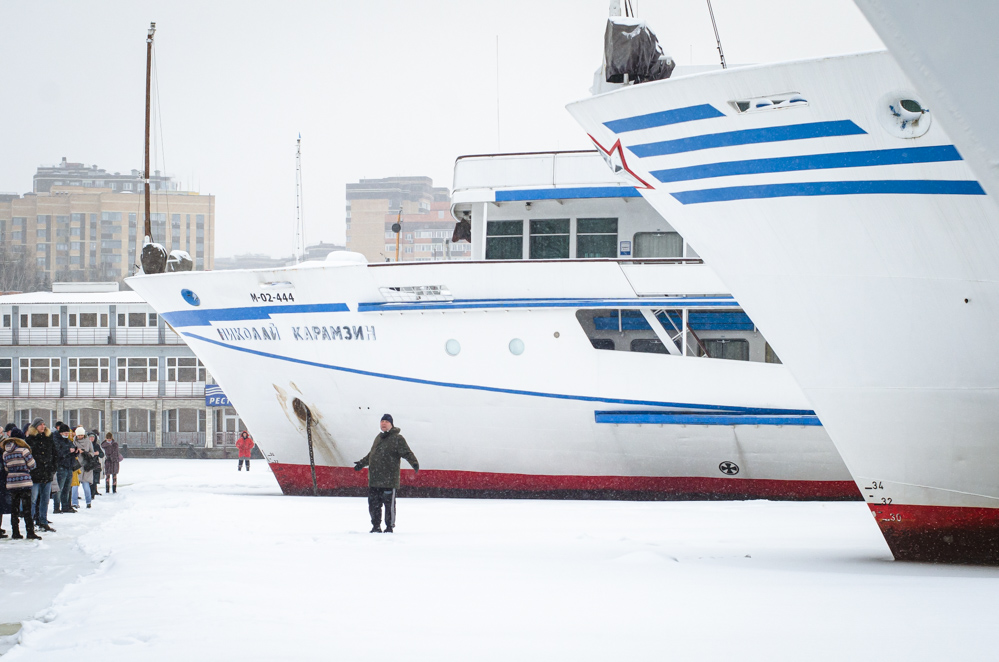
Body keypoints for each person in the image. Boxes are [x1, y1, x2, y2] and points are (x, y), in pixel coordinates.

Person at [353, 414, 419, 533]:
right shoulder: (378, 438)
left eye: (386, 422)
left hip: (389, 480)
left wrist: (414, 463)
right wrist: (361, 464)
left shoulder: (397, 438)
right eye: (382, 421)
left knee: (389, 506)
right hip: (375, 480)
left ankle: (389, 527)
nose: (383, 423)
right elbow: (371, 455)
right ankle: (376, 526)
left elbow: (407, 453)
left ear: (391, 424)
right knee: (373, 505)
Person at [2, 430, 41, 540]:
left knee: (14, 509)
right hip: (24, 482)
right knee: (26, 508)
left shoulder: (5, 453)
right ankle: (30, 532)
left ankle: (15, 532)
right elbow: (32, 464)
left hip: (12, 483)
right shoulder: (24, 451)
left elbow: (6, 468)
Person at [25, 418, 57, 532]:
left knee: (45, 499)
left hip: (47, 474)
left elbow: (54, 454)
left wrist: (53, 468)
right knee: (33, 500)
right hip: (35, 475)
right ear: (35, 427)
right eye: (40, 425)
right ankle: (31, 523)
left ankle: (43, 521)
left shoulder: (49, 439)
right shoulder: (29, 440)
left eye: (44, 424)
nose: (43, 426)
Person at [53, 423, 80, 514]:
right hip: (61, 466)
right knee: (59, 488)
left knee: (67, 488)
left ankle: (66, 506)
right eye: (64, 433)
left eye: (67, 433)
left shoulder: (68, 441)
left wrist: (75, 451)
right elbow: (58, 453)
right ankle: (56, 507)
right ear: (60, 432)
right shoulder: (55, 439)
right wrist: (68, 451)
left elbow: (71, 448)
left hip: (69, 466)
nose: (66, 435)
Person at [74, 426, 96, 508]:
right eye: (78, 435)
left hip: (87, 465)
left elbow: (92, 453)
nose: (80, 437)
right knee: (75, 486)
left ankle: (88, 502)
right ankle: (75, 503)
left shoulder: (88, 442)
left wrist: (84, 452)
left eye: (81, 435)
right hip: (76, 465)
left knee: (86, 485)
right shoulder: (73, 441)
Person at [88, 429, 105, 496]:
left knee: (95, 479)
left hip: (95, 464)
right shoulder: (86, 445)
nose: (91, 438)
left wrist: (98, 453)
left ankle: (94, 491)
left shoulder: (96, 445)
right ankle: (90, 492)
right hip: (88, 464)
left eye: (93, 437)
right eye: (90, 437)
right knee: (89, 480)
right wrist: (92, 454)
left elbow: (102, 454)